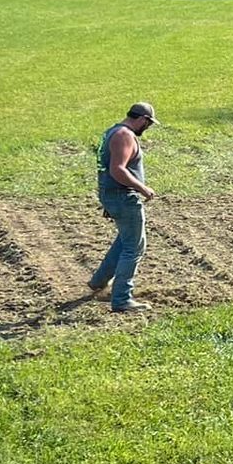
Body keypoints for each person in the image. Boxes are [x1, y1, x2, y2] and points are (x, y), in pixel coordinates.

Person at [89, 102, 159, 313]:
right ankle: (121, 299)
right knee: (134, 247)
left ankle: (99, 281)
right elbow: (117, 170)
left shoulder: (111, 132)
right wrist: (143, 188)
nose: (147, 129)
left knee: (124, 240)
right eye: (148, 124)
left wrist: (108, 199)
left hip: (112, 194)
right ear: (142, 119)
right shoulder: (124, 135)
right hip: (122, 196)